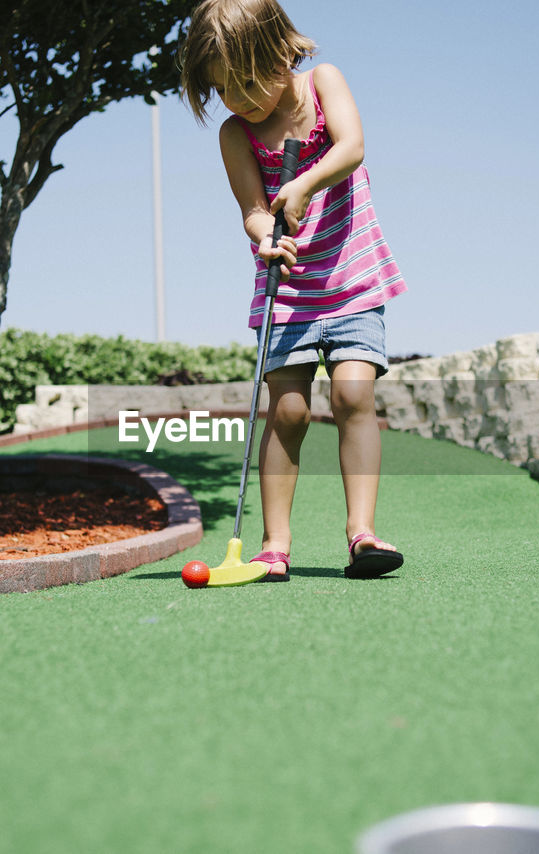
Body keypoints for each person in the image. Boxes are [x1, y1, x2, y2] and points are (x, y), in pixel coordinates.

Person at [180, 0, 407, 581]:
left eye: (249, 81)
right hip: (288, 290)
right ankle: (274, 544)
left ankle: (363, 535)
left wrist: (305, 183)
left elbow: (352, 146)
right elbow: (252, 210)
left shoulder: (322, 83)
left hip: (351, 278)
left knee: (354, 396)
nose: (240, 99)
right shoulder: (237, 134)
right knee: (288, 411)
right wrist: (264, 239)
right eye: (224, 90)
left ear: (281, 49)